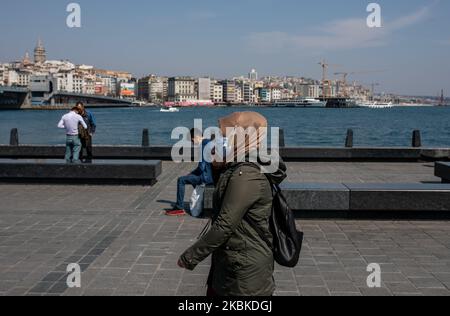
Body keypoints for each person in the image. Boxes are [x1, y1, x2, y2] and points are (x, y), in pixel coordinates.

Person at [177, 112, 287, 296]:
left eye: (225, 135)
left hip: (244, 270)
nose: (221, 139)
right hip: (232, 261)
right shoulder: (238, 166)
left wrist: (190, 257)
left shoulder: (247, 174)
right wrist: (218, 163)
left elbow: (225, 224)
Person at [166, 128, 214, 217]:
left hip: (206, 177)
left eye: (192, 141)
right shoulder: (209, 142)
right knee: (192, 178)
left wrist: (192, 173)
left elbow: (201, 167)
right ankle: (200, 203)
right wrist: (192, 173)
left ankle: (179, 208)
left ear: (195, 137)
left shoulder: (202, 146)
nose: (193, 143)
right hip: (211, 175)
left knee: (181, 180)